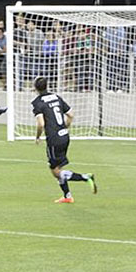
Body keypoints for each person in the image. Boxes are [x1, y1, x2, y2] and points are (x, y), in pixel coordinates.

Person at [32, 76, 97, 204]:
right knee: (57, 168)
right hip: (65, 136)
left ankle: (85, 177)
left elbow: (40, 124)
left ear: (35, 88)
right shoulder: (56, 97)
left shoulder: (37, 102)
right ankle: (67, 196)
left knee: (55, 171)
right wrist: (65, 127)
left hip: (54, 139)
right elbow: (71, 114)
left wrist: (38, 137)